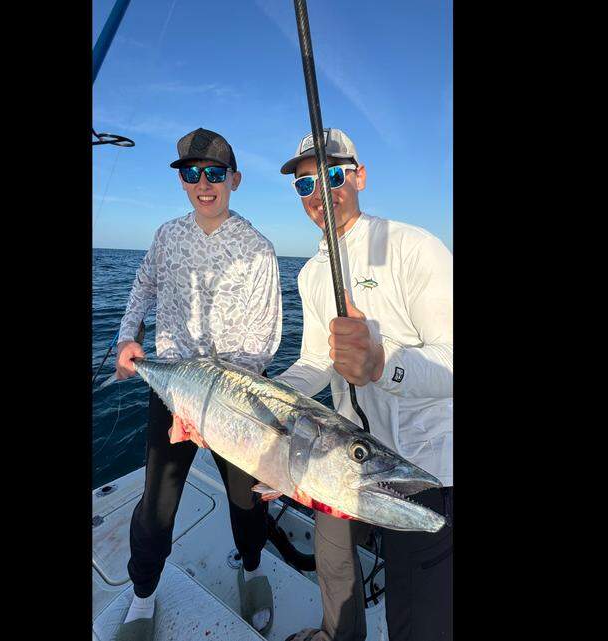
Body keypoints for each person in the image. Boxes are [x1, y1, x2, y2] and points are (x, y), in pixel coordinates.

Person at [274, 129, 453, 641]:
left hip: (421, 470)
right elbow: (313, 363)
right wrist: (262, 396)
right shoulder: (311, 273)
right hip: (340, 453)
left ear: (360, 175)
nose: (320, 193)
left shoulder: (415, 247)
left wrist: (382, 365)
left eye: (332, 175)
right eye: (305, 184)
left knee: (416, 615)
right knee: (333, 564)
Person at [111, 128, 283, 640]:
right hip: (173, 392)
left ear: (234, 179)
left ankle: (251, 569)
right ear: (183, 182)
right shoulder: (167, 235)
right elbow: (143, 286)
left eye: (213, 173)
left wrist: (213, 412)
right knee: (156, 504)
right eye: (191, 173)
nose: (203, 183)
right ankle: (143, 597)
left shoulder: (258, 249)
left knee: (246, 498)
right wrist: (126, 337)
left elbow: (261, 343)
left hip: (237, 402)